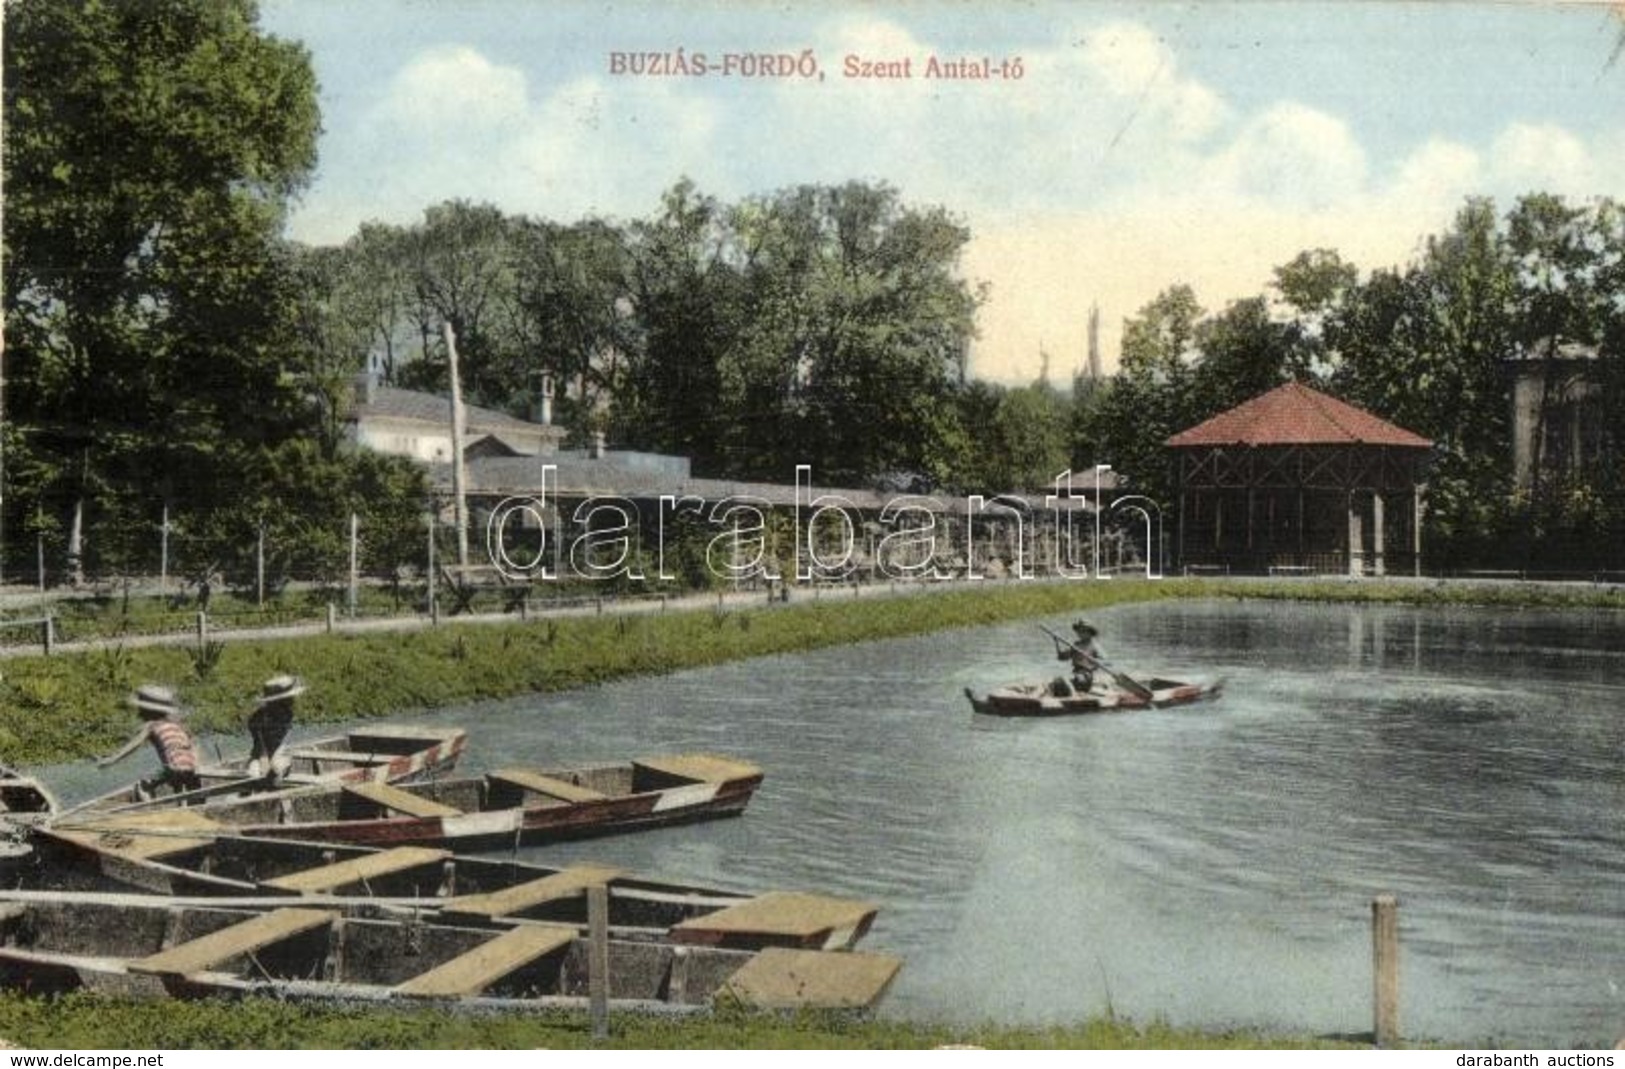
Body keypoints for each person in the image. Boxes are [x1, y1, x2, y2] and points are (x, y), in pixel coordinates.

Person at [96, 684, 201, 799]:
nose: (138, 712)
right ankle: (187, 803)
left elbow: (132, 746)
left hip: (172, 769)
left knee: (146, 783)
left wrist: (111, 760)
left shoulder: (151, 726)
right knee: (189, 787)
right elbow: (193, 745)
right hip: (192, 769)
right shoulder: (178, 724)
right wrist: (196, 764)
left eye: (141, 710)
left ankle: (148, 793)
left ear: (148, 711)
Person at [247, 674, 305, 781]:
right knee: (255, 772)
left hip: (277, 754)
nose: (292, 700)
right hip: (262, 755)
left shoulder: (286, 715)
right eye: (289, 698)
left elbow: (281, 743)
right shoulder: (258, 718)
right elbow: (260, 743)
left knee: (276, 767)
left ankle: (273, 772)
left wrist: (272, 761)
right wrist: (264, 759)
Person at [1066, 620, 1105, 692]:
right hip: (1076, 673)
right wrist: (1060, 650)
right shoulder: (1076, 645)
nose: (1080, 633)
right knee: (1060, 682)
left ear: (1090, 633)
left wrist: (1094, 662)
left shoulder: (1094, 646)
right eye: (1079, 631)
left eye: (1083, 631)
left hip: (1087, 675)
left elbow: (1104, 661)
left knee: (1080, 679)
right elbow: (1063, 657)